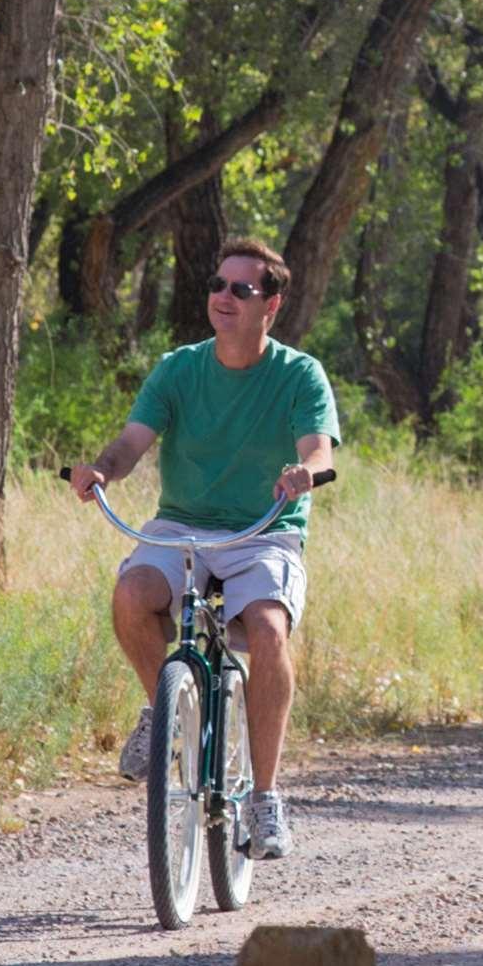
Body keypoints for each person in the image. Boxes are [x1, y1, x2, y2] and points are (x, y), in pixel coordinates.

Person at [66, 235, 341, 861]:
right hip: (181, 527)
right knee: (133, 592)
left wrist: (307, 474)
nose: (222, 297)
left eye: (240, 289)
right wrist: (102, 471)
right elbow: (132, 443)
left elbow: (318, 449)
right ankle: (160, 710)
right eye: (217, 285)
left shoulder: (299, 374)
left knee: (269, 630)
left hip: (264, 530)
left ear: (270, 305)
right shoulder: (180, 368)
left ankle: (265, 798)